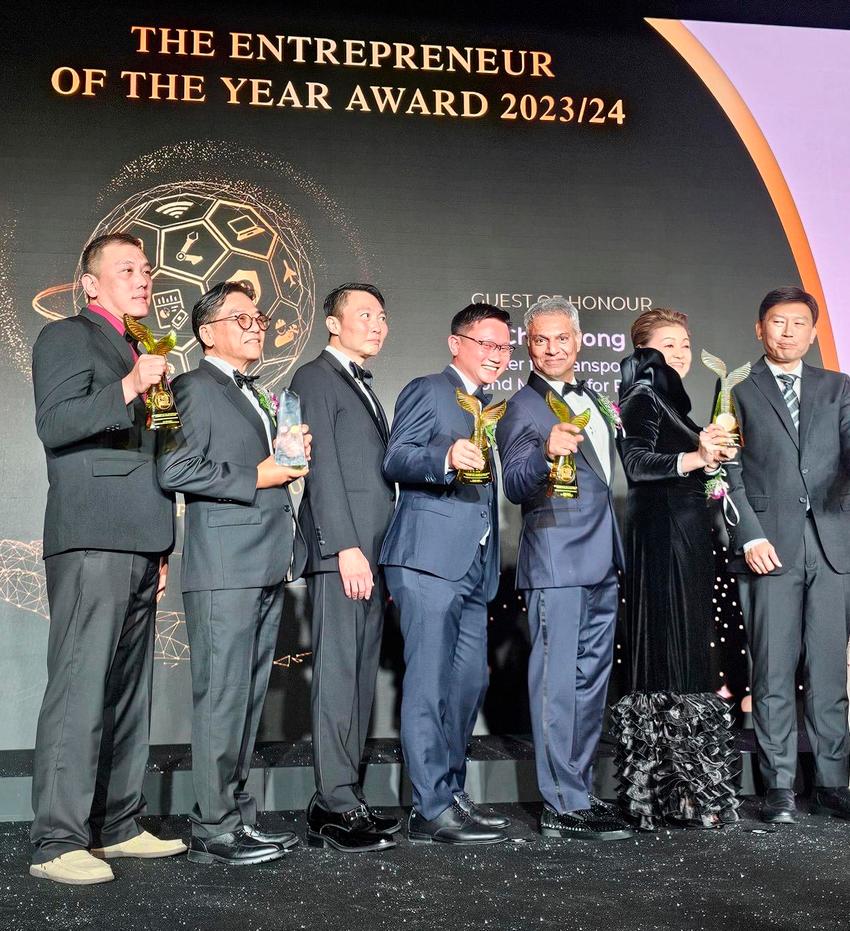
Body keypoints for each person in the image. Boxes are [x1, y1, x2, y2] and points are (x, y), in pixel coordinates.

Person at [29, 232, 184, 885]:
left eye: (146, 269)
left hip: (142, 538)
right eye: (126, 269)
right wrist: (128, 383)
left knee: (127, 693)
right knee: (78, 686)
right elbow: (56, 423)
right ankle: (56, 841)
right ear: (91, 284)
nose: (142, 278)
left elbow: (161, 451)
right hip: (91, 534)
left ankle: (118, 824)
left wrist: (165, 540)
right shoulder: (66, 337)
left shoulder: (147, 348)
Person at [158, 280, 310, 865]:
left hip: (263, 561)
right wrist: (261, 476)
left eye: (260, 316)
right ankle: (214, 825)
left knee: (245, 699)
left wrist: (286, 461)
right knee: (223, 697)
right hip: (224, 565)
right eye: (241, 317)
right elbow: (175, 466)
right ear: (206, 331)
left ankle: (235, 816)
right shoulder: (193, 386)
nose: (256, 325)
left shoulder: (254, 392)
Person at [496, 298, 633, 841]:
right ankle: (559, 804)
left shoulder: (597, 401)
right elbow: (514, 484)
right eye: (540, 340)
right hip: (556, 563)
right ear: (529, 346)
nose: (551, 349)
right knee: (556, 686)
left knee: (589, 684)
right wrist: (545, 452)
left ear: (578, 342)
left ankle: (578, 791)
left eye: (561, 339)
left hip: (603, 561)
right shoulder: (521, 408)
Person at [380, 303, 512, 845]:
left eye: (503, 348)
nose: (496, 356)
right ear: (456, 342)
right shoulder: (429, 389)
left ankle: (451, 792)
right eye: (485, 343)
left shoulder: (486, 406)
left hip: (473, 568)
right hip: (428, 560)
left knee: (466, 683)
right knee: (431, 684)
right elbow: (396, 457)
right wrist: (446, 456)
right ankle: (430, 806)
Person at [725, 287, 850, 824]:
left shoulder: (837, 388)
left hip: (832, 546)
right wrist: (748, 535)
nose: (788, 332)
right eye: (778, 322)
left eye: (799, 323)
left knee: (828, 673)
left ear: (813, 332)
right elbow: (723, 471)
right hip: (767, 548)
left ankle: (831, 781)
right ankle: (778, 785)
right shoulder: (736, 387)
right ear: (760, 328)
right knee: (772, 672)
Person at [611, 307, 739, 830]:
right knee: (670, 653)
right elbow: (637, 464)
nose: (681, 352)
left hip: (683, 539)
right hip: (663, 539)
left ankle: (677, 792)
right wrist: (695, 457)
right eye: (669, 343)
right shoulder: (642, 394)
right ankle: (670, 792)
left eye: (686, 342)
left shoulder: (670, 399)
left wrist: (707, 455)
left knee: (681, 653)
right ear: (645, 351)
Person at [289, 283, 398, 853]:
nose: (377, 325)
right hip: (345, 556)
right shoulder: (315, 378)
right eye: (364, 315)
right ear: (332, 324)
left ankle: (342, 796)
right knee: (337, 679)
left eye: (382, 317)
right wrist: (344, 546)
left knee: (358, 679)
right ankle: (334, 801)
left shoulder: (363, 385)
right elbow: (321, 469)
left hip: (372, 554)